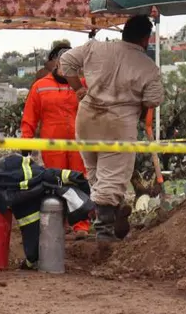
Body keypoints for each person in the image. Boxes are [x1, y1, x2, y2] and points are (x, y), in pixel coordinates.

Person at [59, 15, 163, 241]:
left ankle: (114, 213)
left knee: (96, 174)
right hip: (118, 122)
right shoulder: (148, 67)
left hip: (87, 117)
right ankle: (104, 235)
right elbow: (152, 100)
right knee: (112, 178)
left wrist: (78, 89)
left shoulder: (96, 48)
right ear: (146, 39)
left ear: (123, 32)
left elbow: (65, 61)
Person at [22, 43, 91, 233]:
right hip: (52, 145)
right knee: (56, 184)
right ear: (56, 63)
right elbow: (29, 117)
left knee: (79, 181)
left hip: (78, 144)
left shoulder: (83, 85)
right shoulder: (40, 86)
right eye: (64, 65)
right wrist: (25, 143)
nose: (66, 70)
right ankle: (59, 225)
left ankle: (81, 225)